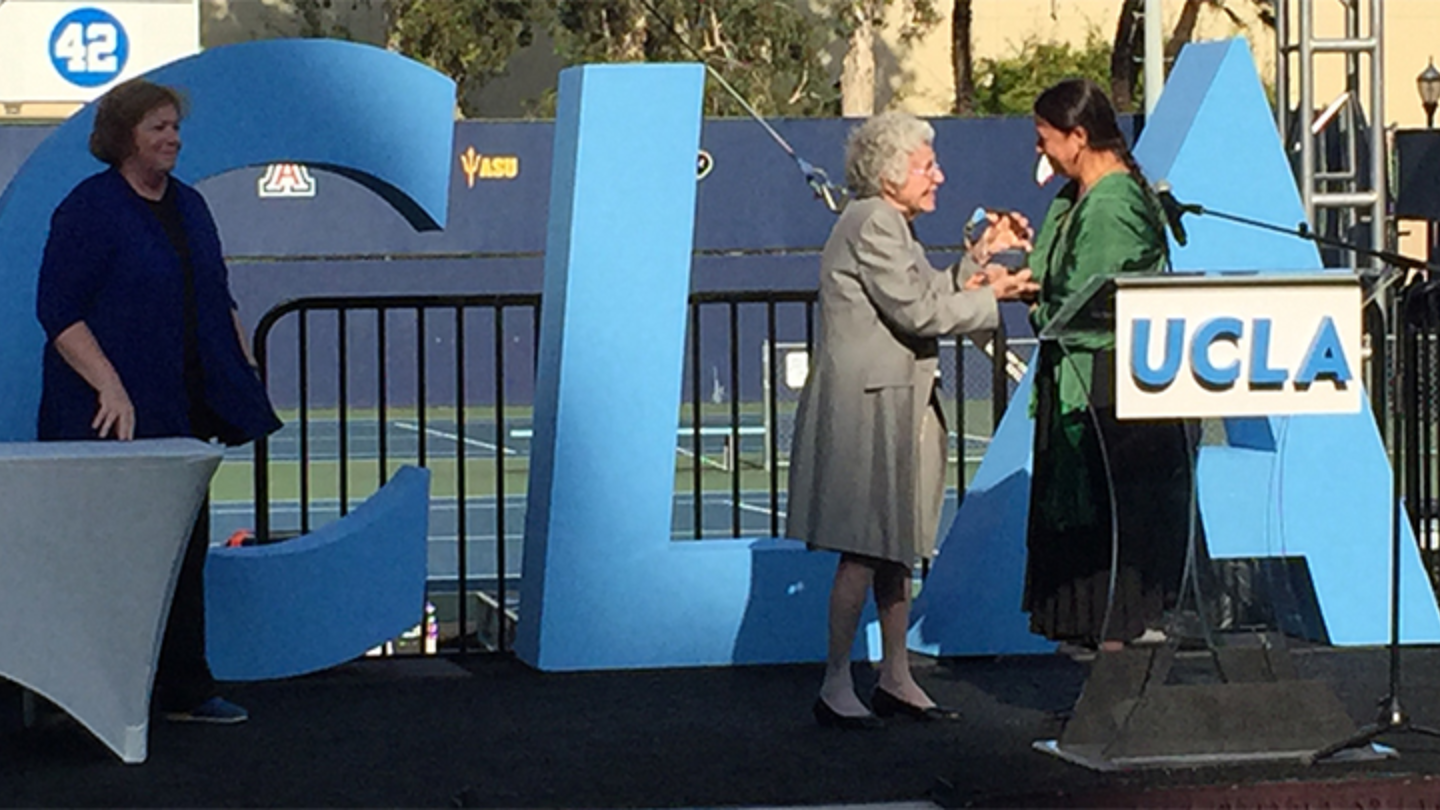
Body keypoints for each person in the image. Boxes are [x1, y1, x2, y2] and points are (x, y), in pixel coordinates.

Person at [36, 78, 282, 723]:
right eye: (157, 129)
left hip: (184, 410)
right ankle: (83, 696)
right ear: (124, 139)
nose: (172, 138)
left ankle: (185, 689)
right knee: (108, 552)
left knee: (182, 546)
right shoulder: (89, 208)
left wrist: (241, 362)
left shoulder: (192, 206)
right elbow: (58, 311)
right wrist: (109, 386)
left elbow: (215, 291)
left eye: (175, 127)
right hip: (107, 420)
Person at [786, 111, 1038, 728]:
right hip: (869, 406)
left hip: (896, 400)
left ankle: (895, 676)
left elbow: (926, 288)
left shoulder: (889, 225)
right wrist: (994, 294)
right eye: (928, 167)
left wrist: (974, 265)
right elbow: (918, 312)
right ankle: (837, 682)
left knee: (894, 547)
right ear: (892, 171)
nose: (939, 177)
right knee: (863, 548)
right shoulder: (872, 221)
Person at [1022, 78, 1197, 651]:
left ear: (1078, 136)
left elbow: (1084, 299)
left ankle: (1115, 685)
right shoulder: (1081, 198)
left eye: (1046, 138)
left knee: (1106, 535)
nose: (1041, 150)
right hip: (1084, 381)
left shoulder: (1113, 203)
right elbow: (1062, 283)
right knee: (1093, 539)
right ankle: (1103, 685)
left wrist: (1028, 297)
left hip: (1106, 387)